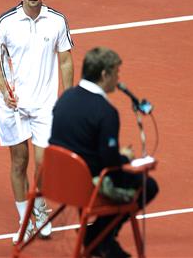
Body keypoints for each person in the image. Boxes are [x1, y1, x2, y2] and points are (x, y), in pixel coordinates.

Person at [0, 0, 74, 243]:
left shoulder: (57, 21)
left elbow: (66, 60)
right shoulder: (6, 22)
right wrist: (5, 90)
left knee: (42, 162)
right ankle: (25, 221)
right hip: (13, 106)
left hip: (46, 106)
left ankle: (38, 206)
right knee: (18, 162)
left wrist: (68, 99)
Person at [50, 47, 159, 258]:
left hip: (55, 181)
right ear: (104, 74)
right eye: (116, 72)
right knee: (148, 186)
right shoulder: (106, 112)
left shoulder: (65, 97)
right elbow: (110, 162)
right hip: (84, 187)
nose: (118, 79)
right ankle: (101, 238)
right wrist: (125, 157)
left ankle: (100, 238)